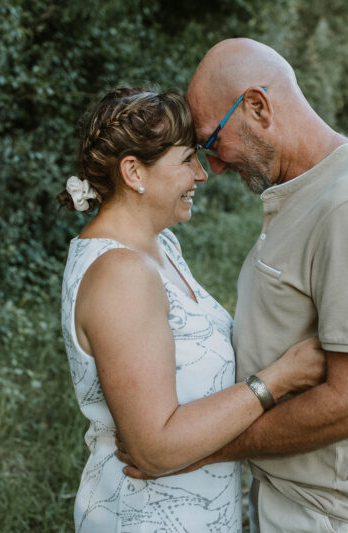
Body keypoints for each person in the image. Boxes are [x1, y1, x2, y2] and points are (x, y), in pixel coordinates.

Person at [119, 39, 348, 532]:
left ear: (257, 107)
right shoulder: (305, 192)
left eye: (212, 142)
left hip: (327, 515)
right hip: (287, 495)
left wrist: (204, 449)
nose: (214, 167)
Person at [58, 87, 326, 532]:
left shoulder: (160, 244)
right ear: (134, 172)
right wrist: (279, 379)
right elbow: (154, 449)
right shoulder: (121, 274)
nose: (201, 175)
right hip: (146, 518)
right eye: (186, 160)